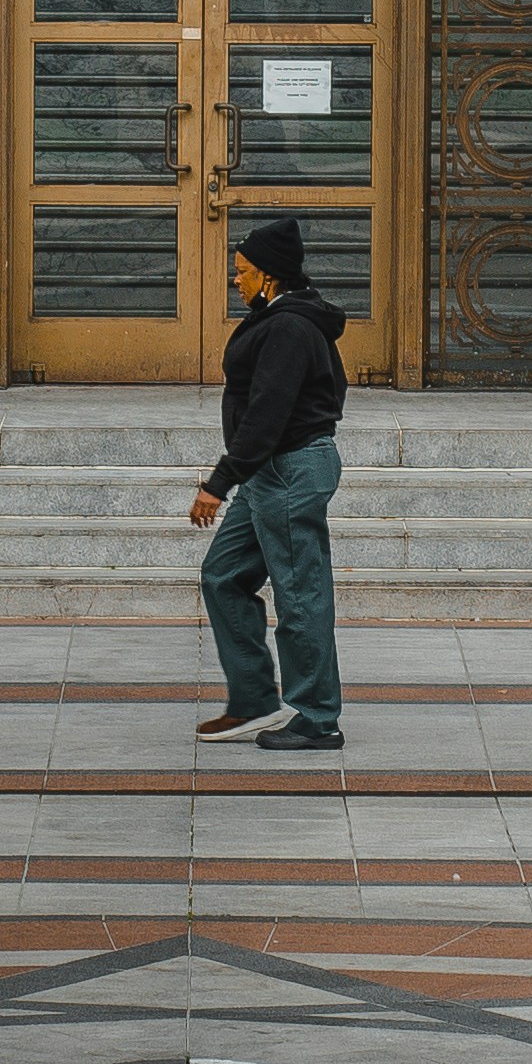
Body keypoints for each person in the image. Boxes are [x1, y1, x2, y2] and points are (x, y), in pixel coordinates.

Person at [189, 213, 348, 751]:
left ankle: (317, 716)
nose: (237, 280)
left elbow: (268, 414)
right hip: (269, 471)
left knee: (300, 595)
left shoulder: (291, 326)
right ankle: (254, 699)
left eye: (243, 272)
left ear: (270, 276)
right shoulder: (281, 318)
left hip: (288, 468)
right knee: (223, 574)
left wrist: (219, 481)